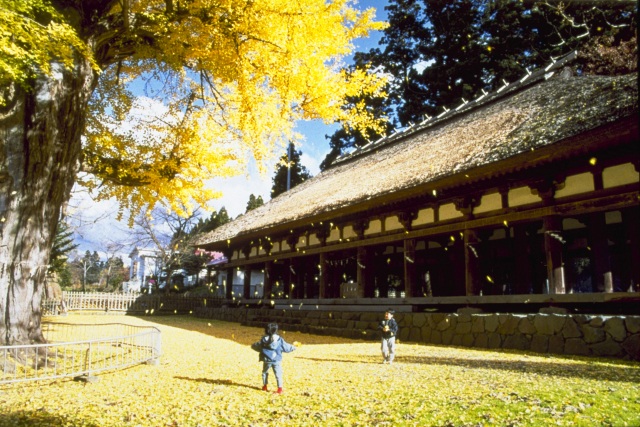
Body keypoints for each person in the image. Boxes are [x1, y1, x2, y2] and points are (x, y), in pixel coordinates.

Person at [251, 323, 296, 394]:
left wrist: (253, 345)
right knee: (278, 373)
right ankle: (280, 388)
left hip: (267, 360)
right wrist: (293, 347)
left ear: (266, 330)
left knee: (265, 372)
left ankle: (265, 386)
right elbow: (286, 347)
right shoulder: (279, 340)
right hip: (276, 359)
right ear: (276, 330)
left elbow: (257, 346)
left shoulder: (264, 340)